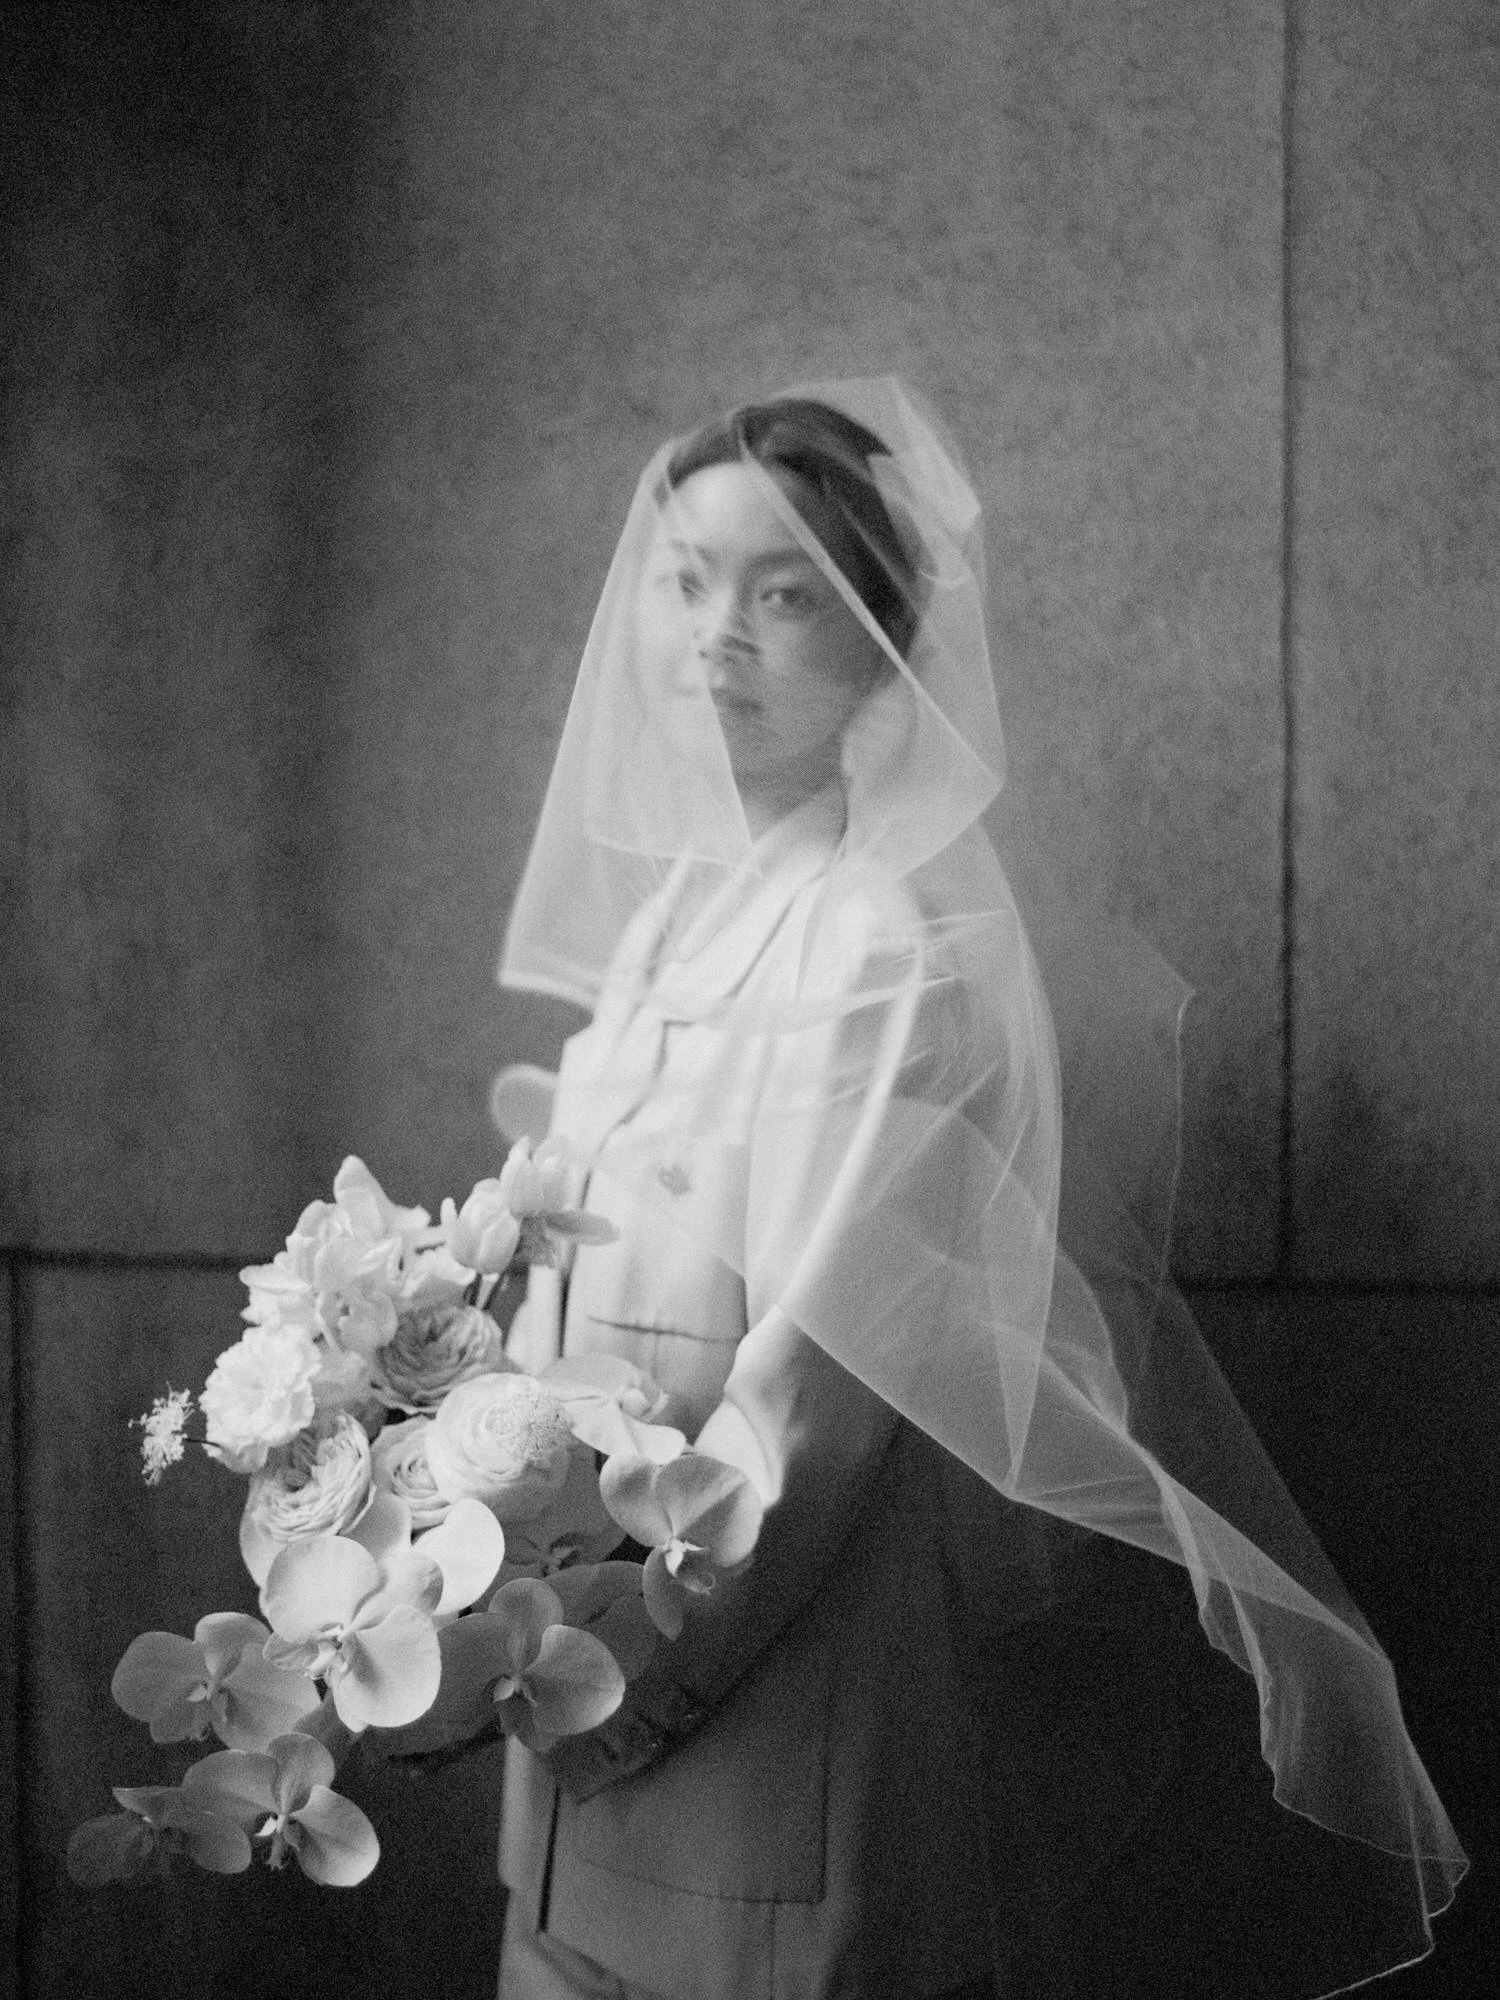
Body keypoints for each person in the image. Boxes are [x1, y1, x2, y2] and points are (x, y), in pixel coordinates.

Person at [490, 381, 1465, 1999]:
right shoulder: (676, 921)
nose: (715, 635)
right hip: (579, 1704)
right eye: (685, 581)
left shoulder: (879, 939)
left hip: (753, 1705)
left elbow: (815, 1397)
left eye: (783, 590)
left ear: (879, 641)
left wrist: (613, 1679)